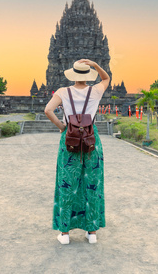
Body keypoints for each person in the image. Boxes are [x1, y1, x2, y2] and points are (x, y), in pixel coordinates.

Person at [44, 59, 110, 244]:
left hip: (70, 139)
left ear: (72, 75)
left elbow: (48, 110)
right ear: (88, 75)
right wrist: (95, 64)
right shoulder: (96, 91)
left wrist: (62, 126)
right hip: (91, 139)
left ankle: (64, 233)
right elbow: (106, 78)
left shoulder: (63, 92)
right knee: (92, 182)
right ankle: (92, 232)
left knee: (67, 182)